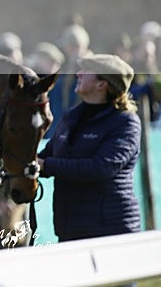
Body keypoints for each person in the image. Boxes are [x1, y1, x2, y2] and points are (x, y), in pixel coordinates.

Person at [38, 54, 141, 242]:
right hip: (69, 230)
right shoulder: (71, 117)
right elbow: (45, 156)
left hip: (111, 232)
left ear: (102, 84)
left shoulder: (126, 123)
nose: (78, 74)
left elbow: (100, 168)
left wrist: (45, 165)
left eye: (85, 71)